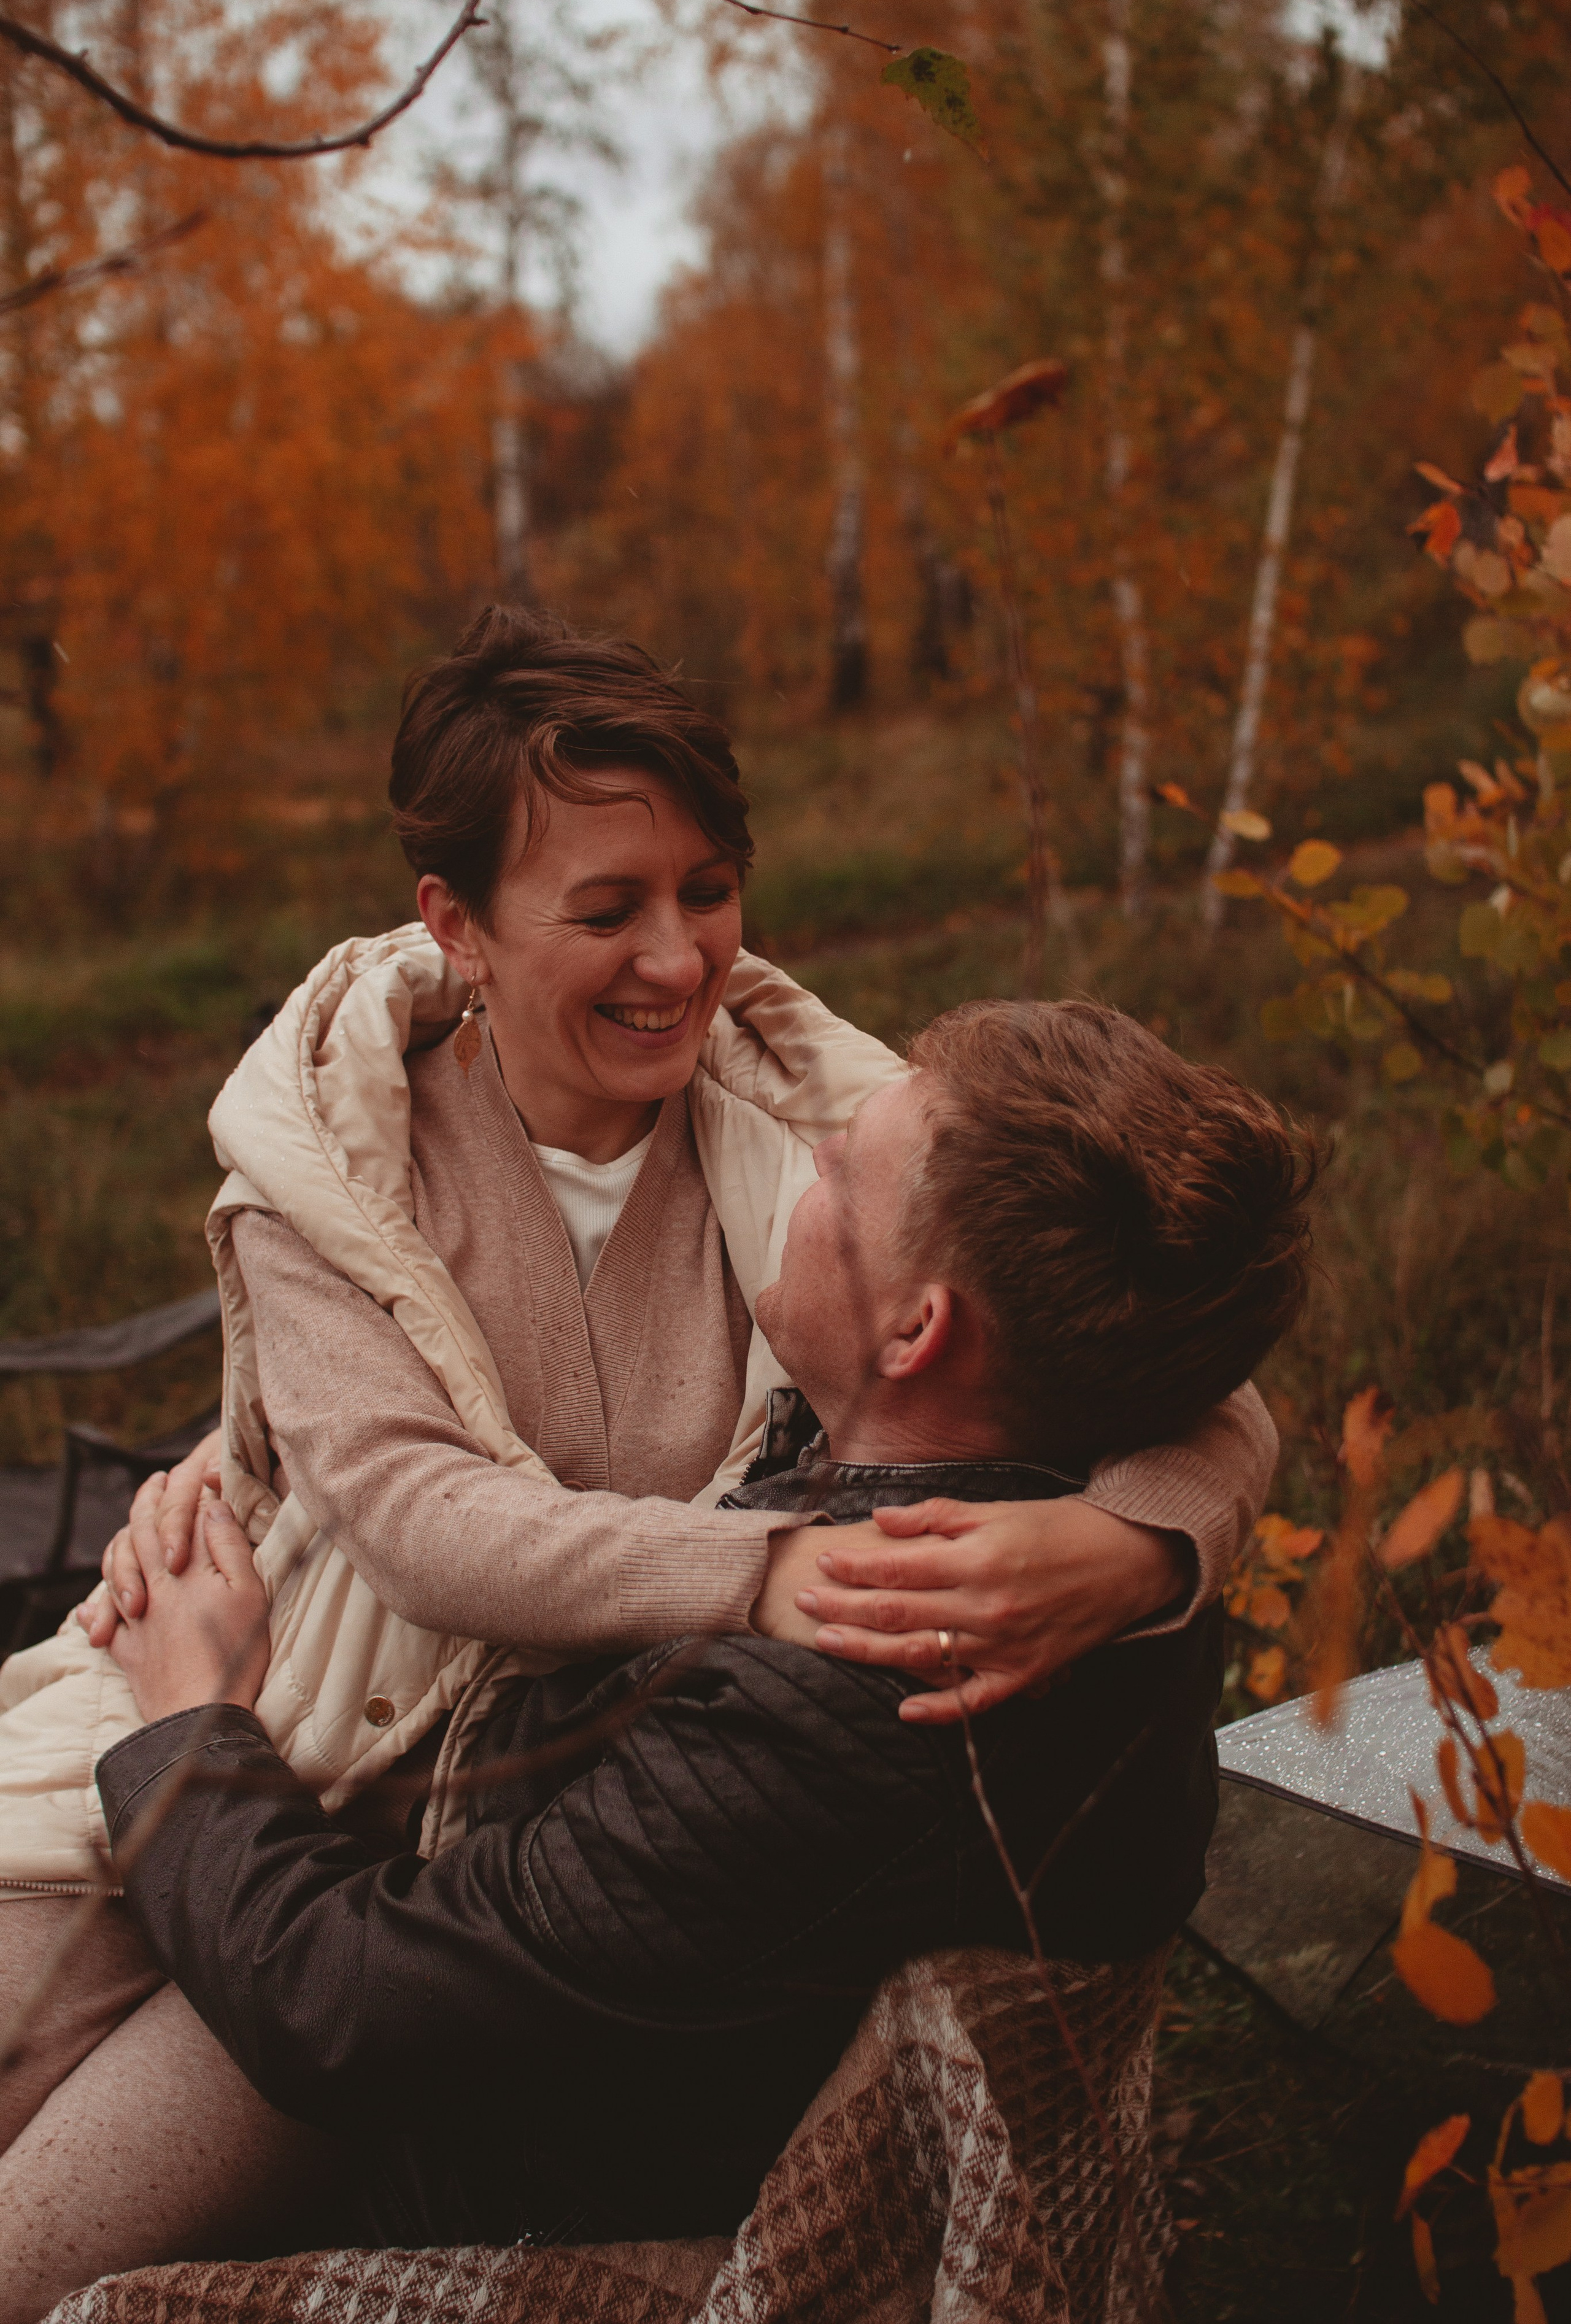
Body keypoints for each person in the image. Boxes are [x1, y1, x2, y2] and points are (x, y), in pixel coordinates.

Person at [0, 611, 1275, 2313]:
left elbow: (1152, 1339)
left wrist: (1138, 1550)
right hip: (276, 1695)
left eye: (710, 888)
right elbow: (414, 1519)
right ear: (454, 924)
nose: (679, 959)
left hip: (435, 1866)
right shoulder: (336, 1157)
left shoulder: (797, 1109)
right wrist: (757, 1570)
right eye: (604, 909)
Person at [90, 996, 1316, 2257]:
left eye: (835, 1173)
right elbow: (1224, 1412)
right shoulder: (1092, 1488)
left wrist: (192, 1724)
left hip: (501, 2213)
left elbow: (337, 2009)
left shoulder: (830, 1713)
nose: (794, 1172)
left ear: (917, 1331)